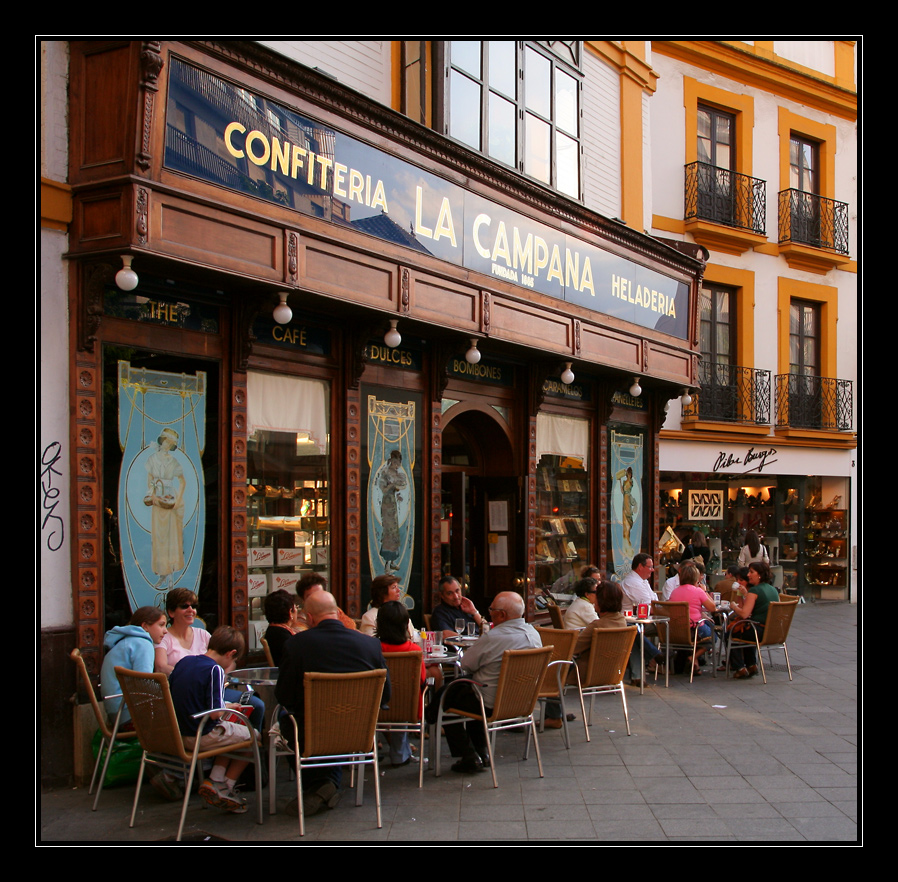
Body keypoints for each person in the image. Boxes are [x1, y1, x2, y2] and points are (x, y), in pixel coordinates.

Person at [275, 591, 390, 817]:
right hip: (359, 733)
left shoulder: (296, 645)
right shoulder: (370, 645)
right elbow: (385, 696)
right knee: (323, 724)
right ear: (337, 612)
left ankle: (319, 787)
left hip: (311, 732)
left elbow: (284, 696)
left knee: (284, 720)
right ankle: (325, 787)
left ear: (309, 617)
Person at [427, 592, 540, 773]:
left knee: (449, 698)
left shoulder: (494, 637)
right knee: (466, 691)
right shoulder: (534, 634)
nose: (490, 614)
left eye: (492, 610)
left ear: (502, 615)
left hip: (490, 703)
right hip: (522, 702)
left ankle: (468, 754)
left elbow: (466, 664)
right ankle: (481, 752)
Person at [169, 626, 260, 813]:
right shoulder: (215, 670)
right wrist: (227, 708)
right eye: (234, 659)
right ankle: (224, 785)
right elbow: (215, 713)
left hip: (176, 733)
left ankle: (216, 780)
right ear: (231, 653)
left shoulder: (184, 662)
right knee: (254, 736)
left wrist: (226, 706)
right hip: (200, 735)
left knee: (234, 728)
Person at [376, 601, 441, 768]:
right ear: (405, 624)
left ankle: (398, 753)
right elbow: (421, 680)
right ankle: (400, 754)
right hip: (408, 707)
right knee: (405, 695)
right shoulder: (413, 650)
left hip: (376, 707)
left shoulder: (372, 648)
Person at [572, 580, 661, 687]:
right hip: (614, 675)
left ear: (600, 601)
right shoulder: (623, 623)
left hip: (588, 675)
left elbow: (574, 648)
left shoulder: (597, 625)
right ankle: (649, 661)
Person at [100, 606, 167, 726]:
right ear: (145, 626)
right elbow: (145, 684)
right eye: (161, 625)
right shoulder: (142, 644)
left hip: (116, 713)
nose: (165, 630)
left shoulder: (128, 641)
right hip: (130, 715)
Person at [144, 427, 186, 590]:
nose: (168, 445)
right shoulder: (153, 459)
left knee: (171, 537)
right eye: (167, 441)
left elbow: (182, 481)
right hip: (158, 499)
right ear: (162, 441)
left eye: (172, 443)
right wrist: (152, 493)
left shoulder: (173, 462)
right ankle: (162, 573)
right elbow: (150, 478)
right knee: (159, 537)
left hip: (170, 498)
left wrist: (179, 499)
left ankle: (170, 575)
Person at [727, 561, 779, 679]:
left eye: (751, 572)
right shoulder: (773, 589)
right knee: (745, 632)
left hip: (759, 631)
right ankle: (751, 665)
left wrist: (734, 606)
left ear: (759, 575)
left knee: (730, 633)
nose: (749, 575)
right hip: (773, 632)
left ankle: (740, 667)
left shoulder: (754, 591)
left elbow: (744, 614)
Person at [669, 562, 717, 676]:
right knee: (713, 636)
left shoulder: (675, 591)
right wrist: (704, 591)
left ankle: (695, 664)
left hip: (677, 630)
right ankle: (693, 657)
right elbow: (713, 607)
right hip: (694, 629)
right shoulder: (698, 591)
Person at [360, 573, 417, 640]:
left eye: (397, 587)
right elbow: (372, 642)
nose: (398, 590)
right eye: (394, 587)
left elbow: (414, 634)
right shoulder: (369, 617)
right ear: (382, 592)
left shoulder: (400, 612)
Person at [262, 589, 303, 666]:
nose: (297, 610)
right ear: (290, 612)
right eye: (296, 607)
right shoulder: (285, 638)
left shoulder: (273, 631)